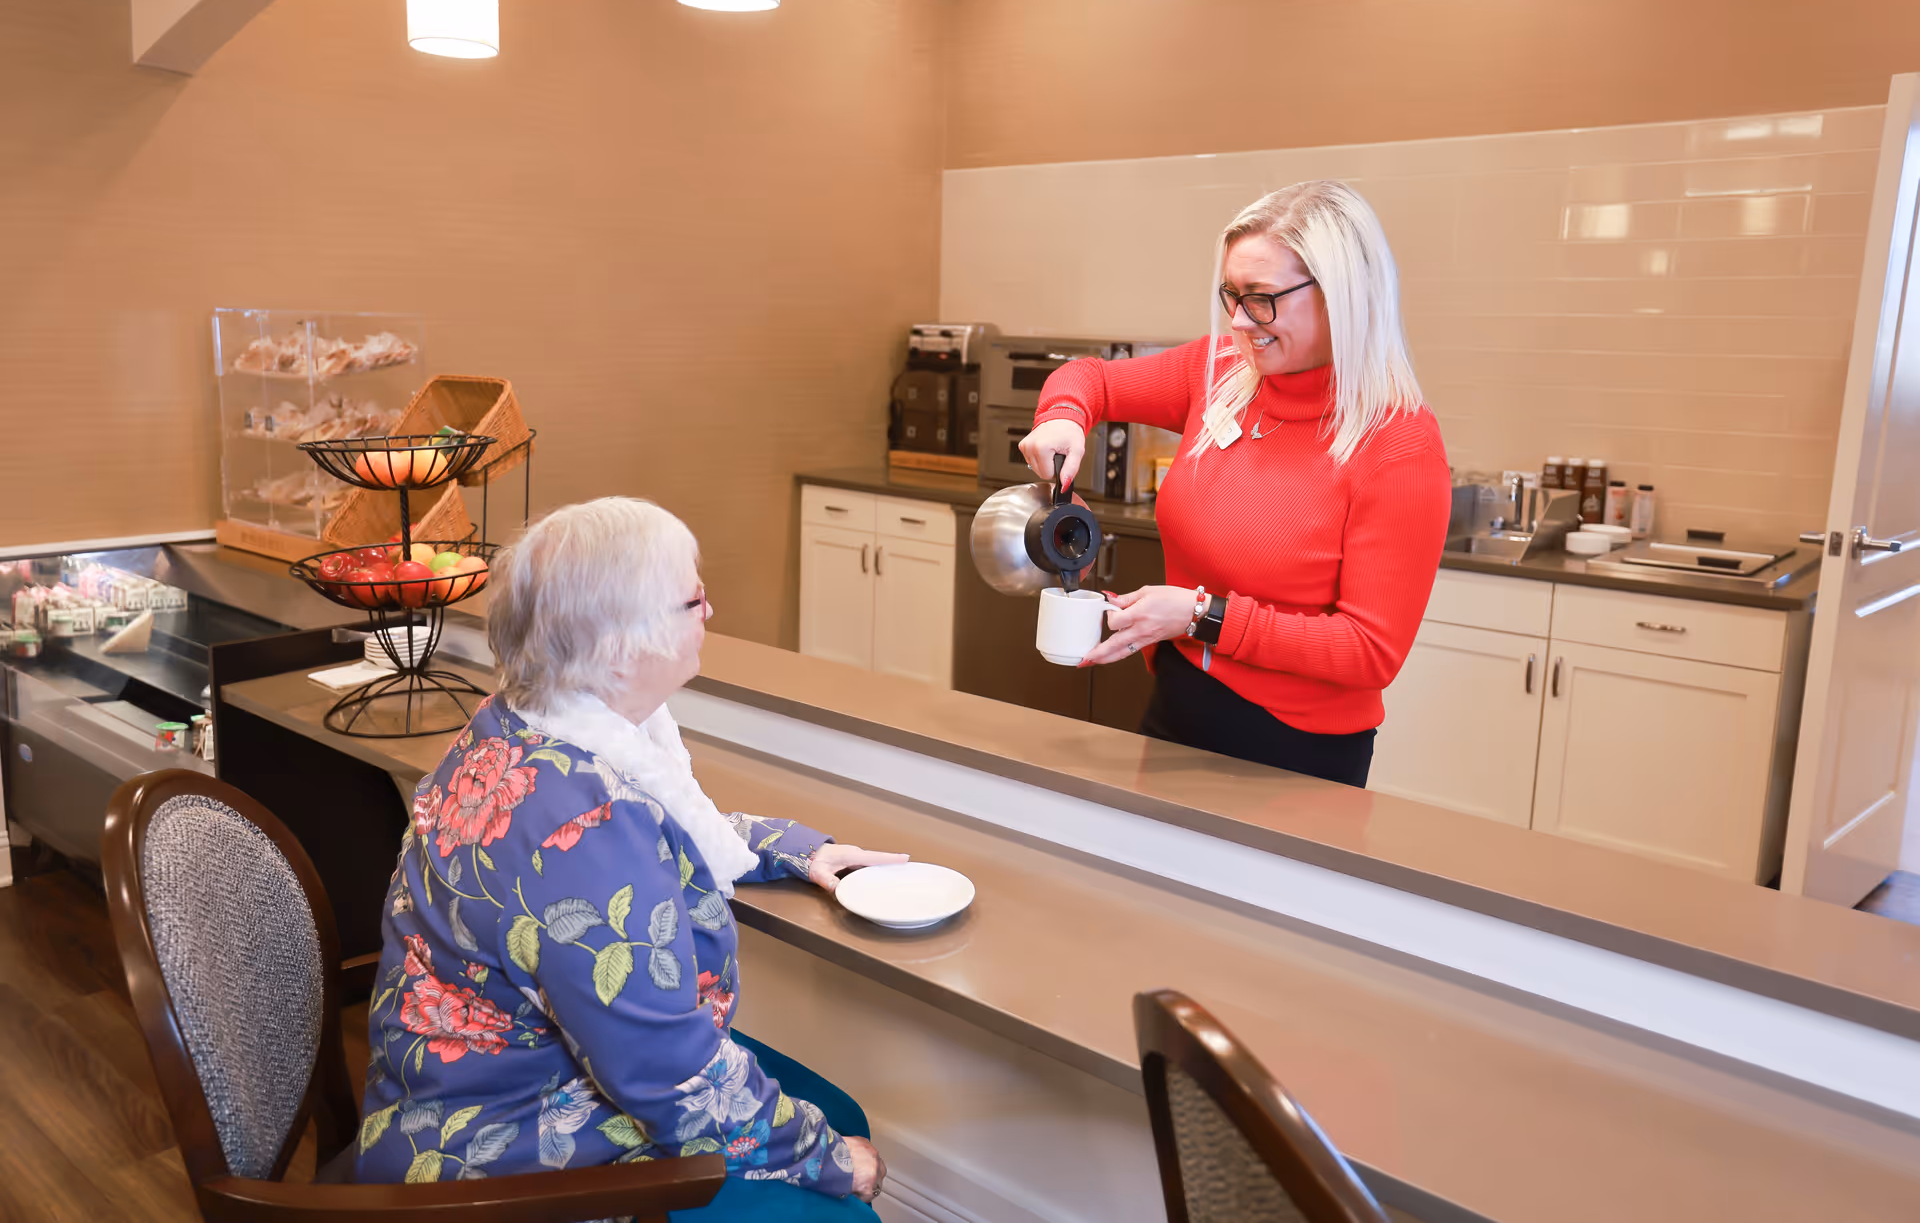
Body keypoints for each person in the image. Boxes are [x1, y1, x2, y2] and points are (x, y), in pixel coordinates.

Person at [357, 497, 907, 1219]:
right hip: (507, 1169)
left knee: (827, 1110)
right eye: (692, 597)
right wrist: (830, 1159)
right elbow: (668, 1073)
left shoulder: (518, 732)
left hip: (441, 1101)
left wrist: (795, 848)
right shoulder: (587, 822)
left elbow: (663, 830)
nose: (712, 609)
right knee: (842, 1190)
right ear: (622, 643)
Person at [1019, 181, 1449, 787]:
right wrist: (1062, 417)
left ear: (1344, 297)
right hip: (1177, 705)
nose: (1241, 321)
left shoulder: (1398, 444)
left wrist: (1201, 615)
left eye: (1262, 298)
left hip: (1297, 753)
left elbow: (1369, 650)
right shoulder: (1221, 371)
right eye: (1231, 295)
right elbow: (1089, 379)